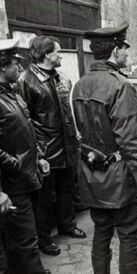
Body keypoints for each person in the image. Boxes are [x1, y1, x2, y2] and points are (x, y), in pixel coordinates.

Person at [72, 22, 137, 273]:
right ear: (115, 50)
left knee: (101, 233)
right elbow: (132, 142)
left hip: (91, 176)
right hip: (119, 179)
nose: (127, 54)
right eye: (125, 48)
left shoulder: (80, 85)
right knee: (129, 236)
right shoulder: (120, 85)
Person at [17, 35, 86, 256]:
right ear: (47, 55)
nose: (61, 56)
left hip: (66, 146)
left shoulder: (60, 77)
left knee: (67, 190)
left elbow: (67, 112)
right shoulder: (25, 80)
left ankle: (68, 225)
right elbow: (24, 121)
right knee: (44, 199)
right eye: (58, 52)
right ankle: (44, 239)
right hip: (45, 151)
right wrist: (38, 153)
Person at [0, 38, 51, 274]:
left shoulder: (12, 95)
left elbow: (25, 131)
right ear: (2, 66)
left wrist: (38, 157)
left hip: (26, 178)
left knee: (24, 241)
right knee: (25, 242)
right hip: (13, 184)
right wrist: (15, 164)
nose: (20, 69)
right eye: (15, 64)